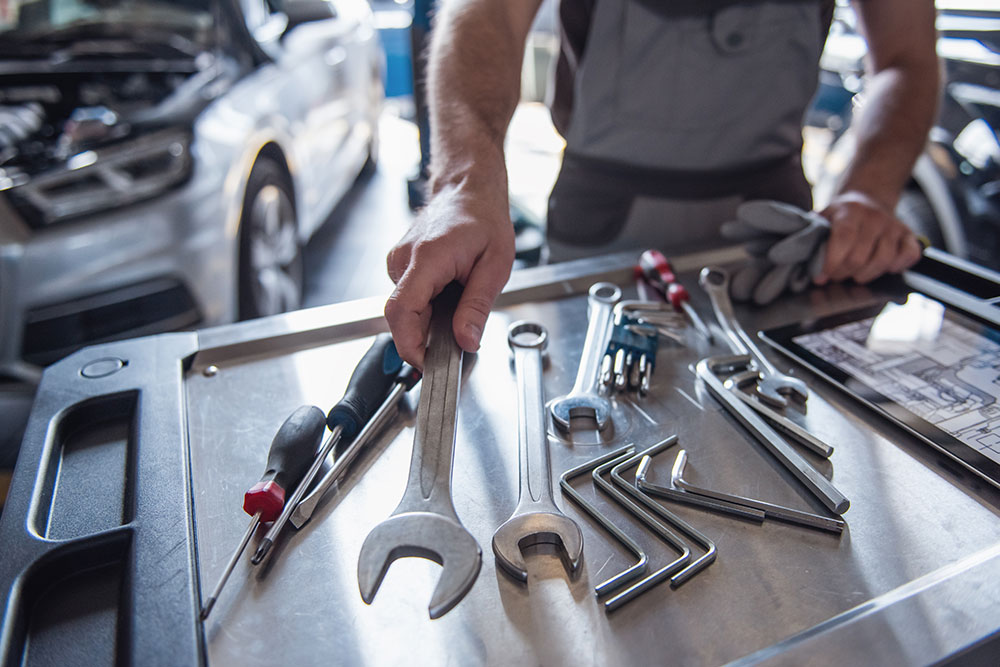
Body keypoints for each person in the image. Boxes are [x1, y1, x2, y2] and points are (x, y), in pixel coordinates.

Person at [384, 0, 940, 367]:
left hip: (776, 248)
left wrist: (868, 191)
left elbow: (906, 58)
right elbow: (489, 14)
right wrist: (465, 181)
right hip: (600, 230)